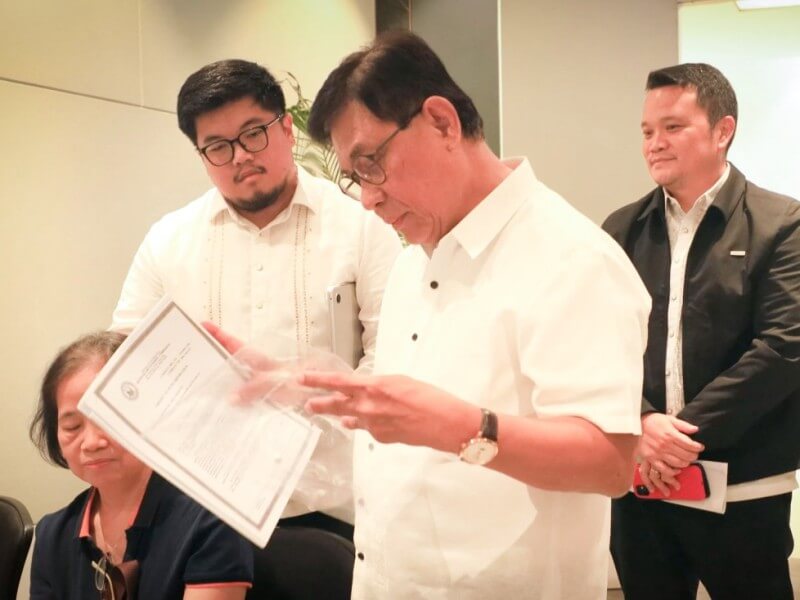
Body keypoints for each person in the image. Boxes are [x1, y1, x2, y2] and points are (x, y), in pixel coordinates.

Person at [209, 31, 651, 599]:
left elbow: (609, 463)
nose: (367, 197)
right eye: (354, 177)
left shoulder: (572, 257)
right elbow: (407, 397)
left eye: (371, 164)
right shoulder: (415, 259)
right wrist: (314, 382)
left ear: (442, 122)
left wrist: (461, 428)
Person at [110, 59, 402, 536]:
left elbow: (394, 355)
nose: (240, 156)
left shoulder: (362, 227)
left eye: (253, 133)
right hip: (205, 511)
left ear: (286, 129)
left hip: (336, 506)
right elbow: (127, 355)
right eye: (218, 147)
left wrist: (321, 395)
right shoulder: (168, 242)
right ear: (202, 156)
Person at [603, 63, 800, 599]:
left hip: (744, 489)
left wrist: (679, 438)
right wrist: (642, 422)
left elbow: (784, 348)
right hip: (642, 488)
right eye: (647, 130)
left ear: (722, 131)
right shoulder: (620, 230)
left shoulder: (782, 224)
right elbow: (599, 343)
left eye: (673, 127)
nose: (655, 143)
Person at [29, 331, 253, 599]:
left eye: (107, 417)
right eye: (72, 426)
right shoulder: (51, 535)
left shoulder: (212, 520)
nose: (91, 442)